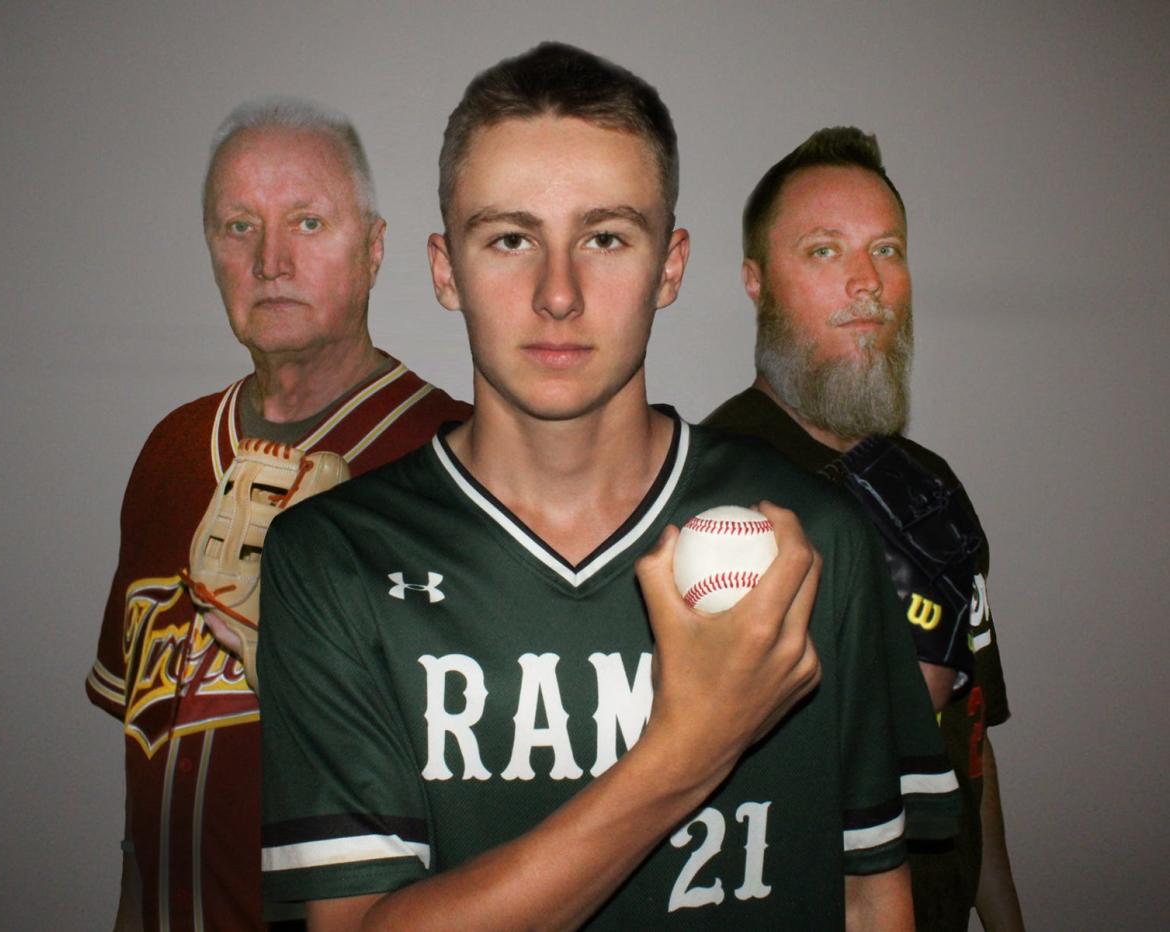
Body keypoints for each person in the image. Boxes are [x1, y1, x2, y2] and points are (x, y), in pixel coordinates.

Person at [258, 44, 957, 930]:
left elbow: (868, 895)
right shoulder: (332, 560)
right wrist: (688, 751)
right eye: (511, 239)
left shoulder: (811, 538)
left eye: (606, 237)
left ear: (670, 266)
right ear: (445, 270)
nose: (559, 293)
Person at [85, 99, 470, 931]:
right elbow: (149, 789)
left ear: (373, 251)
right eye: (237, 226)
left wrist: (298, 661)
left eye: (307, 221)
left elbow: (486, 797)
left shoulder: (454, 461)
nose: (270, 260)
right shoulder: (171, 451)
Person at [704, 126, 1024, 930]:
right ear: (756, 281)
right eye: (822, 251)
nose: (867, 283)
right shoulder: (711, 501)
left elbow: (970, 745)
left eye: (886, 249)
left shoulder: (931, 489)